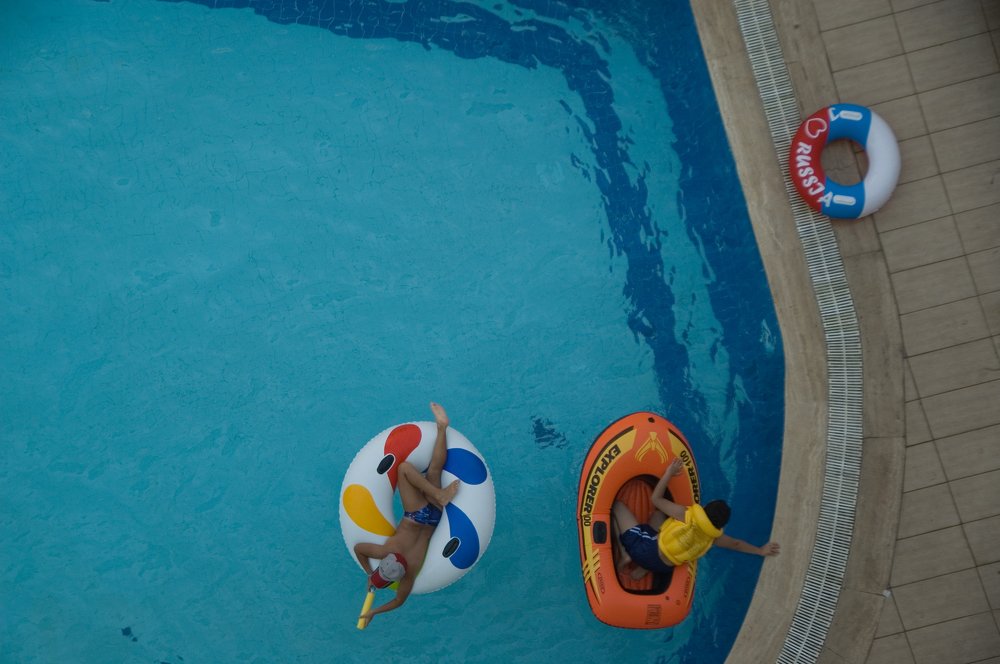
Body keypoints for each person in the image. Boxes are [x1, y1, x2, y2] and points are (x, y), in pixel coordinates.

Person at [354, 402, 460, 627]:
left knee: (433, 471)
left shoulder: (408, 574)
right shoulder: (385, 551)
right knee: (404, 469)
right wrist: (368, 572)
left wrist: (374, 612)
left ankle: (442, 428)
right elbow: (359, 550)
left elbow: (398, 601)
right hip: (415, 515)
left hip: (433, 520)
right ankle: (438, 493)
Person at [612, 458, 779, 580]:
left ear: (704, 509)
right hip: (662, 567)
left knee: (617, 506)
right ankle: (640, 570)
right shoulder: (714, 538)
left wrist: (668, 474)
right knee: (657, 516)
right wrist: (760, 550)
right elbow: (737, 544)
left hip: (645, 549)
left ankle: (626, 554)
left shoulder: (686, 514)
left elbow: (656, 499)